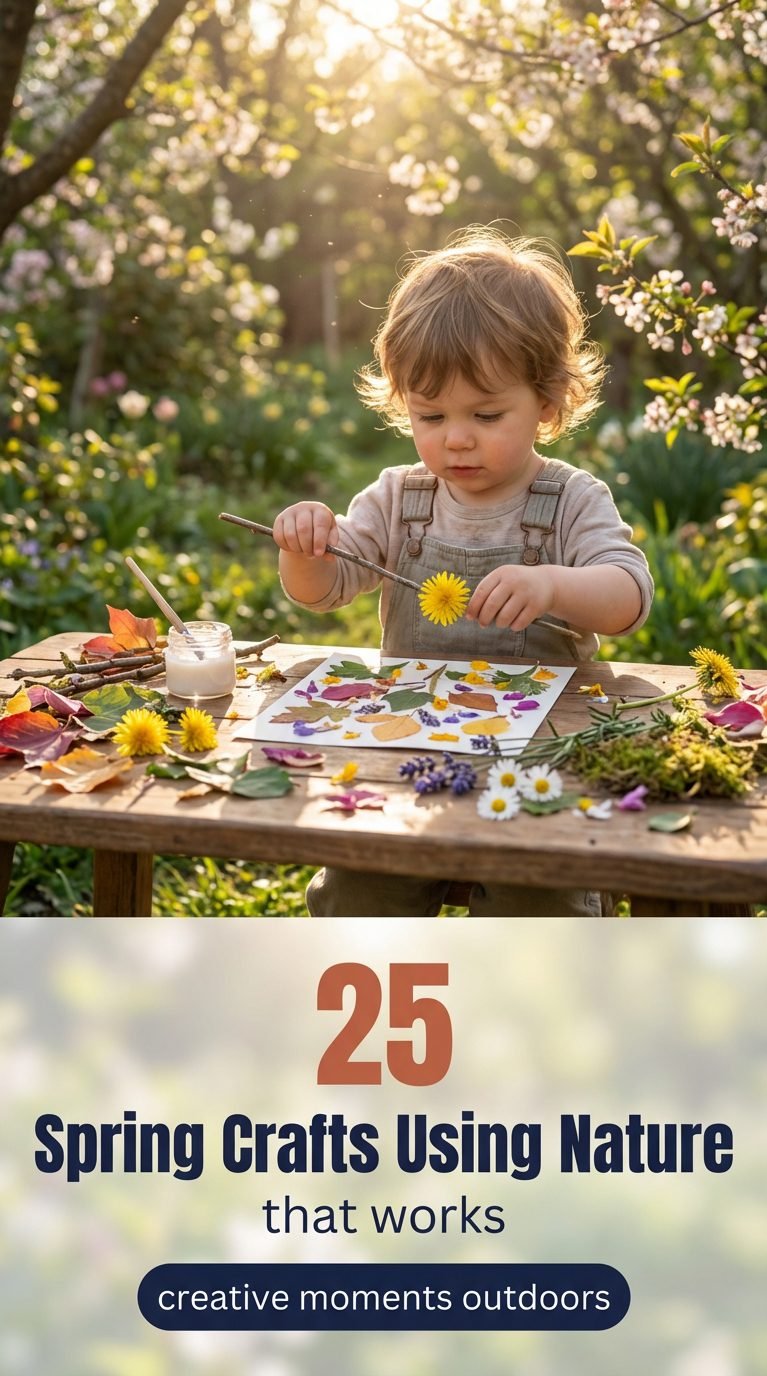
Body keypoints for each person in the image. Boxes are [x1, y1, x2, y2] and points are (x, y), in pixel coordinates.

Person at [272, 226, 654, 916]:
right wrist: (306, 548)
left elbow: (629, 594)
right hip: (405, 749)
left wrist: (554, 586)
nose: (455, 436)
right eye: (430, 414)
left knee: (542, 909)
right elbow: (324, 591)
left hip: (540, 764)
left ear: (547, 402)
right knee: (362, 886)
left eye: (485, 413)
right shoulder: (399, 498)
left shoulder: (569, 499)